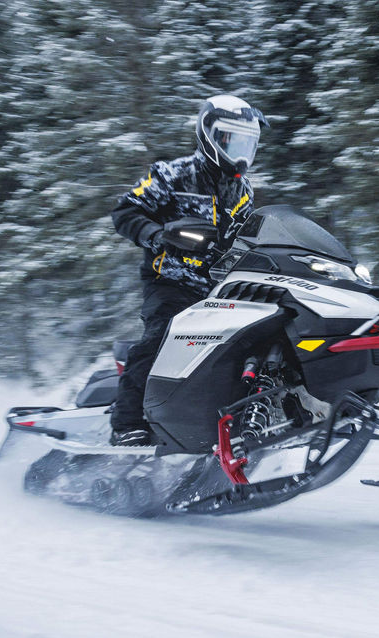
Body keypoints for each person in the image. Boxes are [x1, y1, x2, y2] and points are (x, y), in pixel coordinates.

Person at [108, 94, 268, 446]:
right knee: (160, 339)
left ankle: (233, 420)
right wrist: (155, 235)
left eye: (248, 145)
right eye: (233, 142)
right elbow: (125, 212)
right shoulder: (173, 174)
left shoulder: (242, 191)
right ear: (210, 137)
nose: (241, 154)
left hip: (217, 288)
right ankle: (127, 425)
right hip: (169, 281)